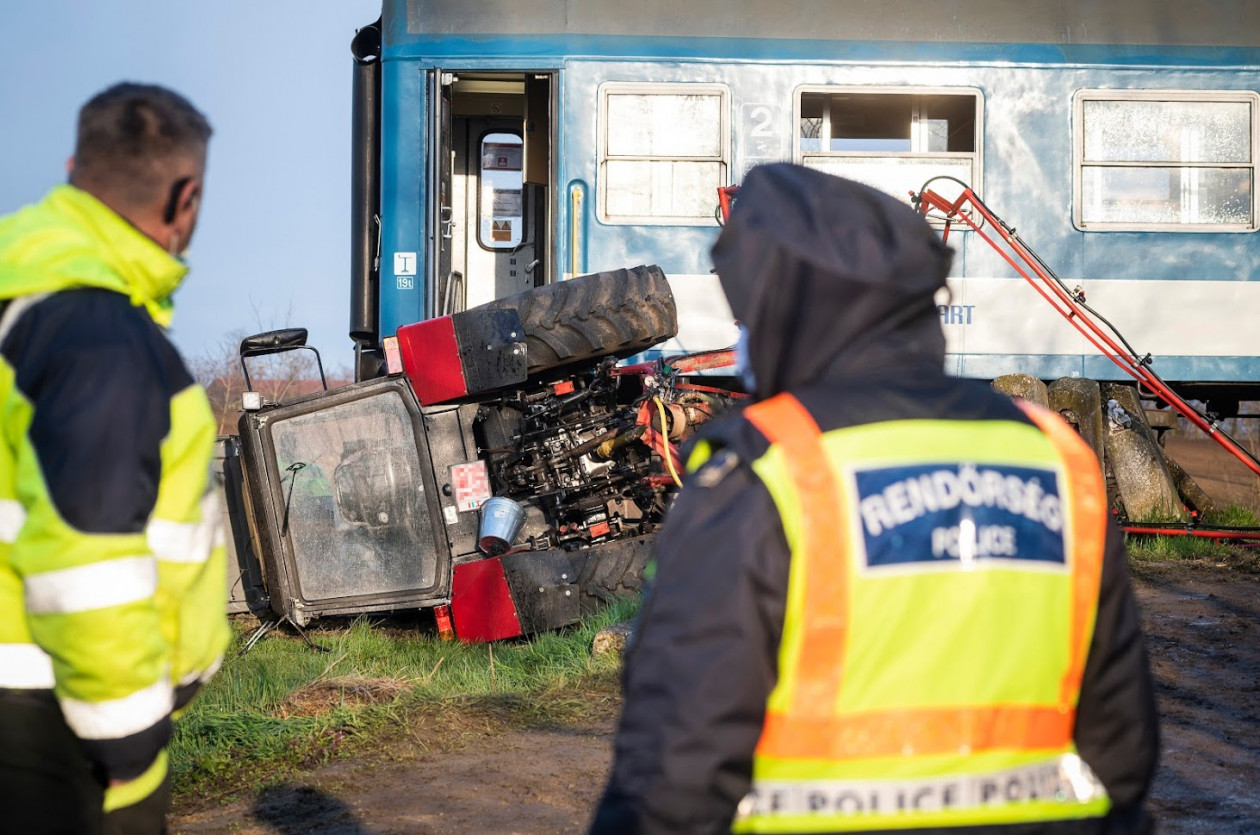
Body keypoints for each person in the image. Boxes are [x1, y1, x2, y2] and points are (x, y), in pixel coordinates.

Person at [590, 164, 1159, 834]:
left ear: (787, 310)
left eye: (749, 313)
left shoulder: (769, 469)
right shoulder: (1056, 456)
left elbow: (671, 777)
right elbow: (1123, 750)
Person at [0, 83, 230, 833]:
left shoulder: (22, 292)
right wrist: (127, 738)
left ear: (73, 168)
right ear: (184, 198)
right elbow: (87, 552)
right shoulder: (97, 333)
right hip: (57, 730)